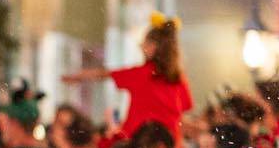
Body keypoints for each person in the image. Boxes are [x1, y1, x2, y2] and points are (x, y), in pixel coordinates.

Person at [62, 15, 191, 138]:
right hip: (168, 144)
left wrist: (79, 76)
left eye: (145, 43)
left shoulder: (142, 74)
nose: (141, 46)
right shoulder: (178, 78)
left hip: (137, 142)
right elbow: (184, 109)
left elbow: (104, 74)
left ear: (153, 47)